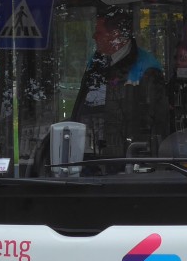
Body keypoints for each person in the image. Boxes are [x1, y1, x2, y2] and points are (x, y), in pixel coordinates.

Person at [71, 8, 166, 156]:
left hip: (130, 157)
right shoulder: (95, 62)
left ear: (115, 36)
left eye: (99, 32)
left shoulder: (147, 68)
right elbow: (80, 108)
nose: (93, 36)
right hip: (94, 152)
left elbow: (156, 123)